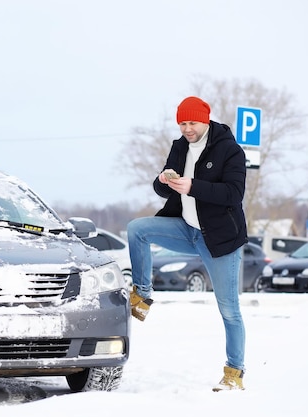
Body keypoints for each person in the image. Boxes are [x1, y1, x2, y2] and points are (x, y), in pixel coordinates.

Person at [126, 96, 248, 391]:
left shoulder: (229, 150)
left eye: (191, 122)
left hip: (219, 239)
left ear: (205, 120)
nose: (186, 128)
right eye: (182, 123)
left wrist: (193, 187)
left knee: (229, 309)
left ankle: (234, 372)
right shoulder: (179, 146)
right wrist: (162, 180)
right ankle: (143, 294)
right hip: (186, 228)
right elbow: (164, 191)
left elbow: (233, 194)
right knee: (137, 229)